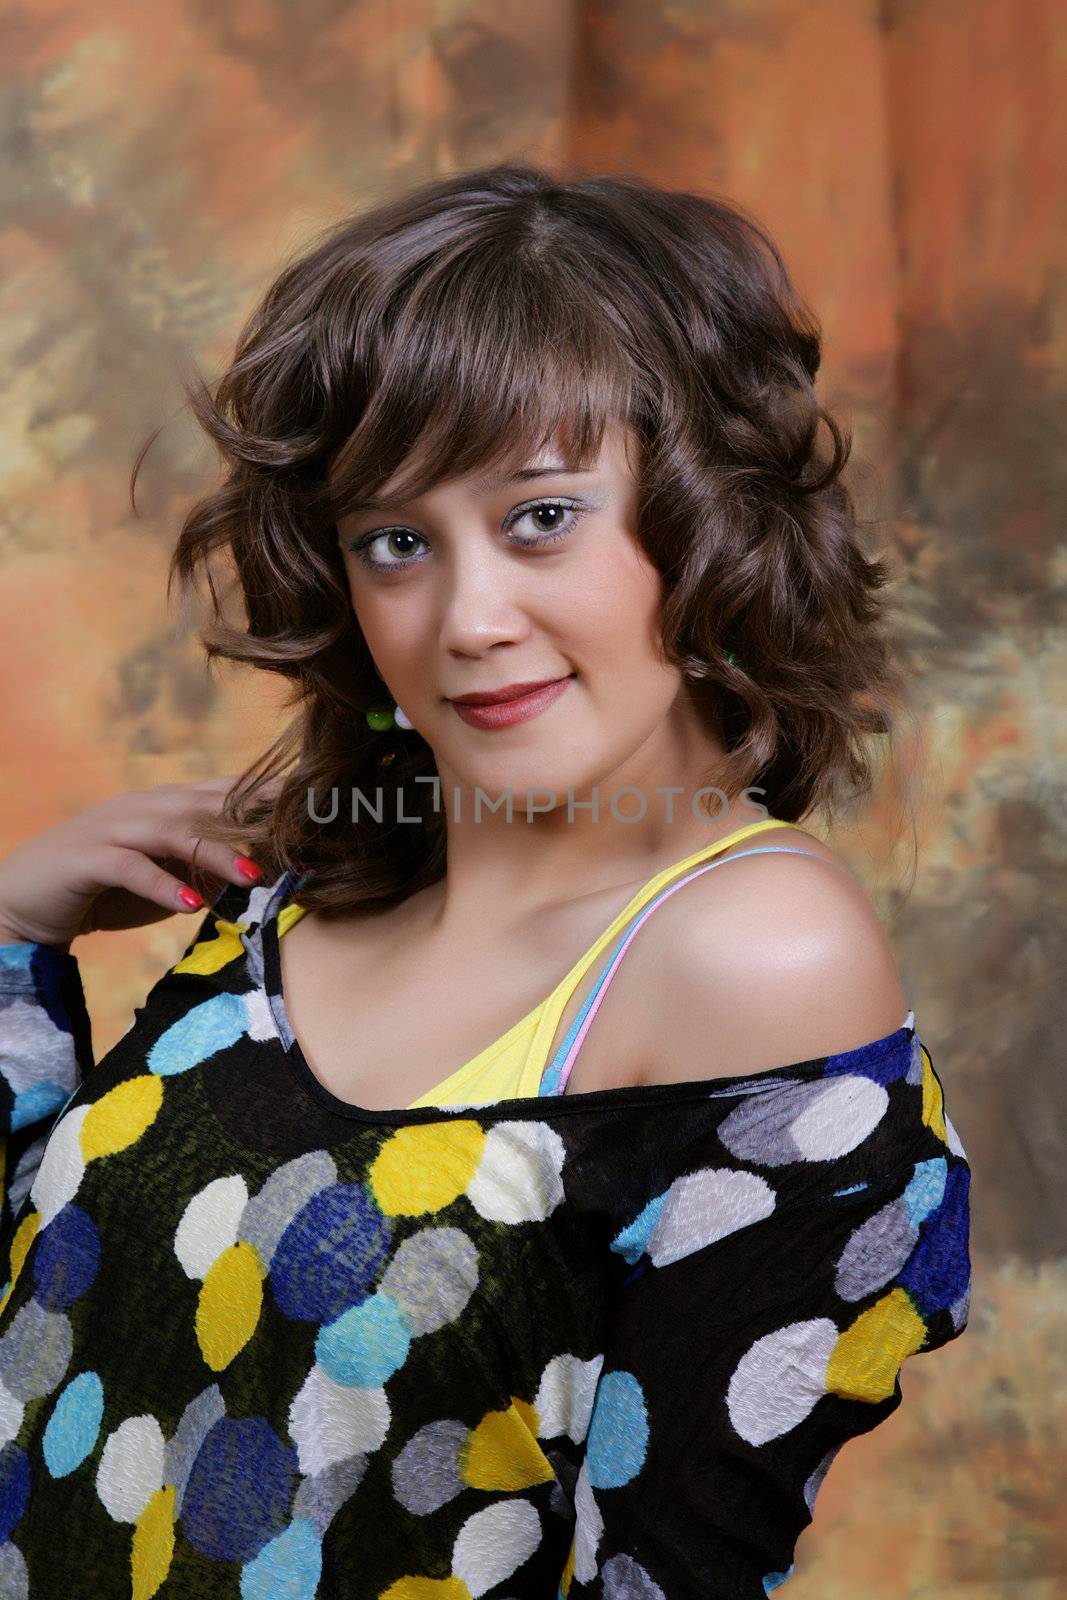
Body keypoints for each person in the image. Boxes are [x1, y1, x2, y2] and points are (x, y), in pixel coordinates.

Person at [0, 162, 970, 1598]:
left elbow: (668, 1573)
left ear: (705, 519)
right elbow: (51, 1342)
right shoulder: (294, 895)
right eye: (397, 541)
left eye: (540, 517)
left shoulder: (753, 957)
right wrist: (11, 938)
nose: (468, 617)